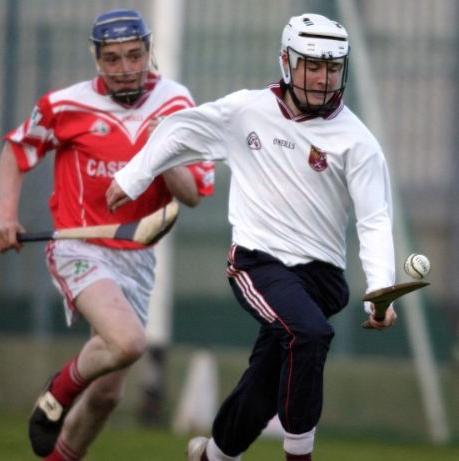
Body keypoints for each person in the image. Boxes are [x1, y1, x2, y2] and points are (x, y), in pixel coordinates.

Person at [106, 12, 397, 461]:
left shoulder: (358, 142)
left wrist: (380, 289)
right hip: (258, 263)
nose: (323, 78)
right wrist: (133, 177)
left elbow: (374, 219)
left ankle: (214, 456)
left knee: (266, 381)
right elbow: (181, 128)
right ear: (286, 62)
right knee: (309, 335)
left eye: (332, 68)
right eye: (312, 66)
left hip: (321, 278)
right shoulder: (246, 111)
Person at [0, 9, 214, 460]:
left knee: (108, 395)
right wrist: (6, 215)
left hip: (137, 253)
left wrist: (161, 150)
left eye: (134, 55)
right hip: (79, 244)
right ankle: (58, 390)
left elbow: (191, 195)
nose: (125, 68)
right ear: (97, 59)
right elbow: (17, 150)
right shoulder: (66, 105)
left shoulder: (176, 104)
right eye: (112, 59)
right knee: (128, 341)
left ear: (149, 52)